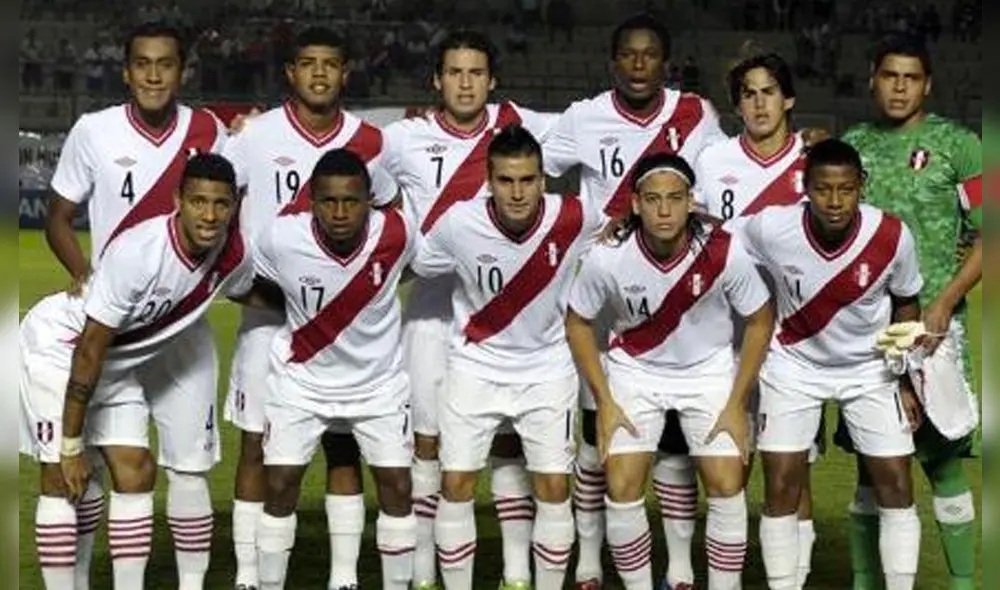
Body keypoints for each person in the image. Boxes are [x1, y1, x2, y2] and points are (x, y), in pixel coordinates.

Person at [542, 14, 728, 589]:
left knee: (673, 443)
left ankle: (679, 567)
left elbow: (717, 182)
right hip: (605, 298)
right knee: (599, 435)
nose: (639, 64)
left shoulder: (696, 114)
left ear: (665, 63)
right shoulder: (583, 117)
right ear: (612, 62)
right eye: (628, 54)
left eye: (650, 54)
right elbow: (532, 169)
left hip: (675, 289)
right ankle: (590, 559)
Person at [42, 22, 228, 590]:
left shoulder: (209, 130)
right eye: (142, 64)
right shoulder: (93, 130)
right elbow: (58, 217)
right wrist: (82, 273)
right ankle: (79, 576)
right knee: (99, 464)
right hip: (116, 326)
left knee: (189, 467)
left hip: (183, 328)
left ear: (182, 72)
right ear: (125, 72)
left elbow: (231, 206)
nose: (153, 75)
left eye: (165, 64)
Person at [21, 154, 259, 590]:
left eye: (220, 204)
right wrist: (71, 444)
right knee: (60, 473)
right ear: (178, 201)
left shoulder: (233, 254)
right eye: (198, 202)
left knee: (136, 469)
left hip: (116, 363)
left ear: (233, 207)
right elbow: (89, 349)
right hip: (60, 348)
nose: (209, 215)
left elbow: (252, 292)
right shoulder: (139, 252)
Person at [221, 26, 398, 590]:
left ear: (346, 73)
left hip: (343, 327)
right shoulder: (254, 135)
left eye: (330, 64)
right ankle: (249, 576)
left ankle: (343, 578)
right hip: (268, 318)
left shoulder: (372, 142)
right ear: (290, 73)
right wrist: (239, 279)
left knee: (342, 446)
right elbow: (217, 200)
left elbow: (391, 210)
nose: (319, 73)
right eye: (307, 63)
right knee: (256, 445)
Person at [380, 30, 556, 590]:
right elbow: (356, 175)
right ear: (436, 79)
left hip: (501, 316)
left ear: (492, 80)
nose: (464, 83)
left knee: (508, 440)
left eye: (476, 73)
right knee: (428, 444)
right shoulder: (403, 139)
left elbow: (605, 138)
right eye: (454, 72)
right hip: (431, 313)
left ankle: (516, 573)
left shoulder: (520, 127)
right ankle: (425, 573)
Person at [566, 153, 773, 590]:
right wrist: (604, 402)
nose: (664, 210)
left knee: (727, 484)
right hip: (635, 372)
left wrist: (737, 404)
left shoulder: (724, 250)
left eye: (675, 199)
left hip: (708, 372)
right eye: (653, 199)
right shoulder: (608, 255)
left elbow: (760, 319)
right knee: (621, 485)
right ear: (635, 204)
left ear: (691, 202)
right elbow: (578, 322)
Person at [410, 125, 601, 590]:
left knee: (554, 489)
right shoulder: (458, 223)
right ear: (489, 182)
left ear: (543, 181)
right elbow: (421, 263)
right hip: (474, 368)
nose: (517, 193)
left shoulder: (575, 216)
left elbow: (621, 232)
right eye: (506, 181)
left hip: (547, 371)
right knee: (456, 484)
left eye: (528, 180)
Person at [742, 139, 925, 590]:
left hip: (870, 370)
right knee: (781, 484)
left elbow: (907, 302)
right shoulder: (771, 227)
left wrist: (905, 378)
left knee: (896, 485)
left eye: (846, 189)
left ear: (862, 185)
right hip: (793, 367)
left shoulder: (892, 236)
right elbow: (717, 236)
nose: (835, 201)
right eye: (823, 189)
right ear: (805, 188)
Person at [840, 34, 982, 590]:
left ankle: (964, 584)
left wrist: (944, 303)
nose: (899, 88)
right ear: (872, 80)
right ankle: (864, 582)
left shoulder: (963, 145)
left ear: (927, 85)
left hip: (935, 331)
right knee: (870, 466)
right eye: (889, 76)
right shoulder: (854, 146)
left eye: (911, 78)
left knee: (943, 463)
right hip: (866, 332)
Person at [250, 149, 417, 590]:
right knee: (280, 483)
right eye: (328, 201)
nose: (340, 212)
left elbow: (410, 268)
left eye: (351, 201)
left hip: (379, 386)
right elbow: (247, 280)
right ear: (312, 201)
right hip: (301, 383)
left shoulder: (398, 232)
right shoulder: (281, 237)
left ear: (369, 201)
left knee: (398, 486)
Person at [694, 51, 819, 587]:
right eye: (749, 93)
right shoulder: (713, 161)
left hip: (794, 337)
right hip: (725, 335)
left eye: (769, 91)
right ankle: (727, 574)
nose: (760, 103)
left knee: (791, 469)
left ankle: (795, 577)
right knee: (728, 465)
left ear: (788, 99)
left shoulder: (814, 162)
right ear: (736, 105)